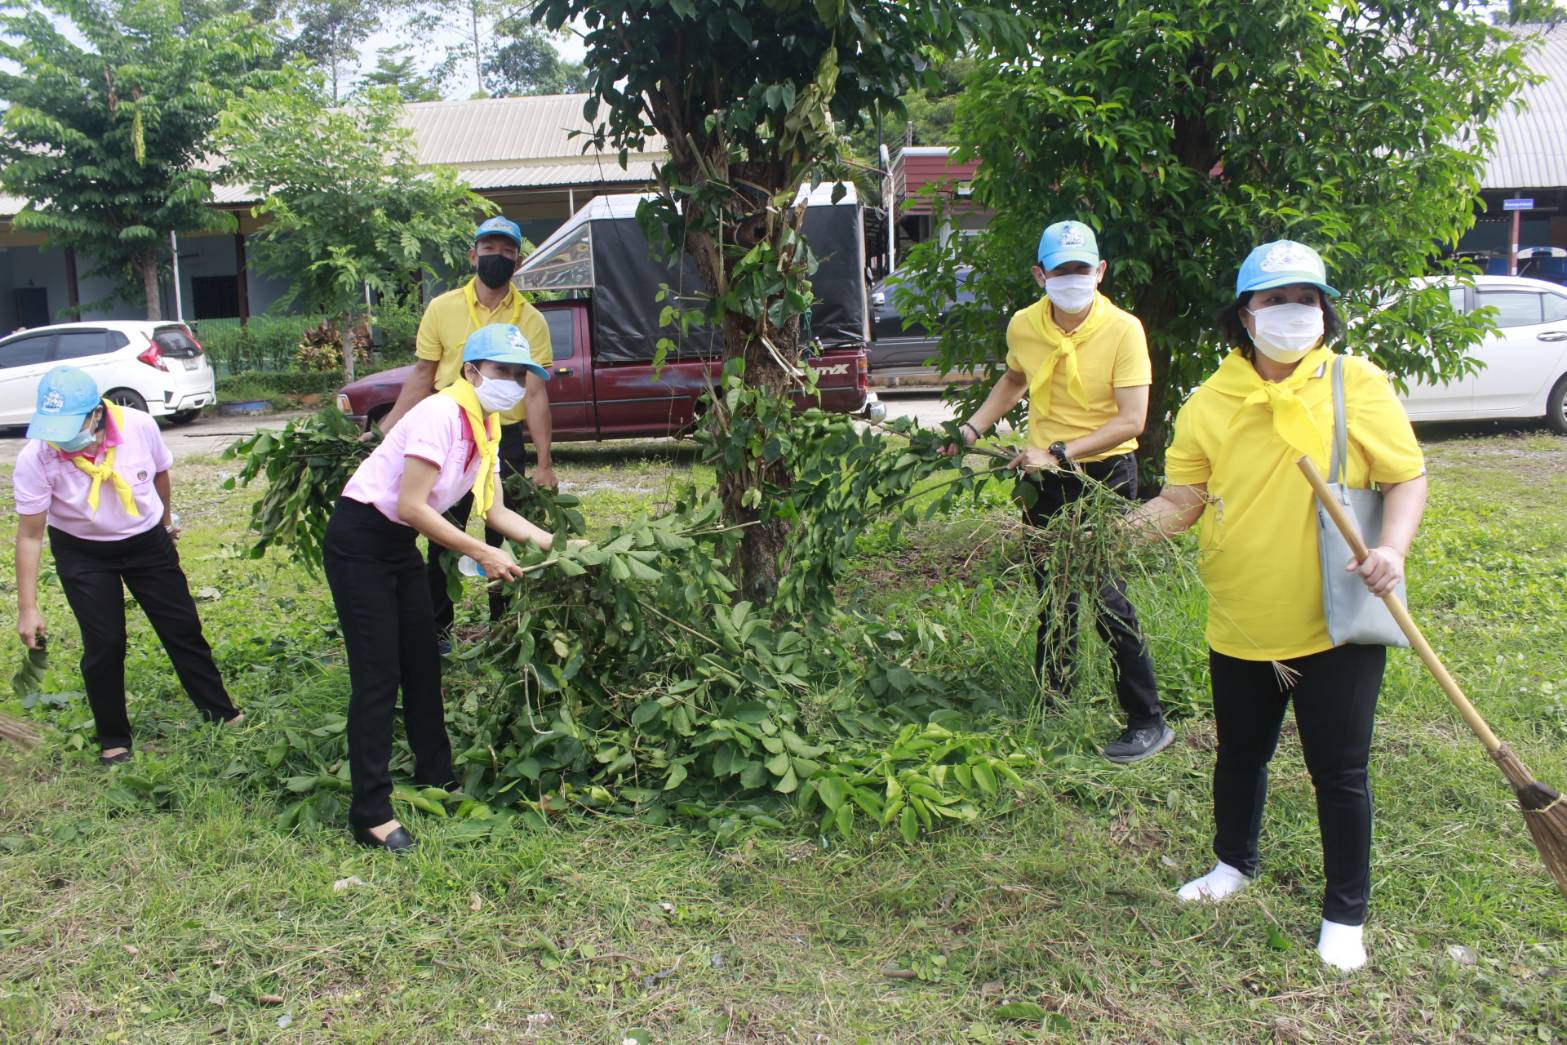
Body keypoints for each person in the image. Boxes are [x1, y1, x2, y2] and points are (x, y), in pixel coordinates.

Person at [1130, 240, 1427, 971]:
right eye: (1274, 300)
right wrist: (1109, 537)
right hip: (1241, 619)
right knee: (1239, 754)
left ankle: (1344, 914)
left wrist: (1391, 550)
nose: (1293, 313)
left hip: (1337, 620)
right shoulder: (1210, 402)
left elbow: (1405, 477)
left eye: (1306, 299)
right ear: (1244, 315)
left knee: (1340, 771)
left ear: (1323, 310)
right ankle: (1232, 862)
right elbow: (1181, 500)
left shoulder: (1355, 384)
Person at [324, 324, 562, 852]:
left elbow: (494, 508)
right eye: (503, 372)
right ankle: (371, 812)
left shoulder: (488, 424)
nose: (514, 383)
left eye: (521, 375)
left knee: (423, 664)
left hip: (398, 545)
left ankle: (437, 774)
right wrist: (480, 551)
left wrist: (561, 546)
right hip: (360, 540)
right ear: (472, 371)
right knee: (379, 675)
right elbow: (411, 505)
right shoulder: (438, 414)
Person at [948, 220, 1172, 764]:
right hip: (1043, 476)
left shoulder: (1124, 330)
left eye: (1082, 269)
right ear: (1040, 274)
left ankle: (1147, 719)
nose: (1072, 279)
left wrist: (1062, 451)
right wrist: (971, 429)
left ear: (1099, 271)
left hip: (1104, 474)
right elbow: (1014, 378)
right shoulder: (1025, 324)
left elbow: (1132, 420)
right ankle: (1054, 697)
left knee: (1105, 594)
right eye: (1061, 270)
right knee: (1053, 590)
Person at [12, 366, 242, 764]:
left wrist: (167, 524)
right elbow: (30, 535)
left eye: (70, 425)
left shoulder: (138, 426)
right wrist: (28, 608)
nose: (60, 437)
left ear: (96, 414)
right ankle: (113, 737)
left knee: (181, 626)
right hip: (82, 551)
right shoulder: (38, 456)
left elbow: (160, 474)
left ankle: (220, 711)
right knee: (104, 643)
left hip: (146, 541)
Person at [376, 215, 556, 647]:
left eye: (507, 251)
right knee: (441, 536)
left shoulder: (531, 319)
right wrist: (388, 427)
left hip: (501, 439)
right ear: (473, 255)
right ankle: (437, 630)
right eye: (489, 249)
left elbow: (534, 396)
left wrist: (546, 463)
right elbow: (423, 375)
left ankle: (505, 628)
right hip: (449, 437)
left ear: (518, 259)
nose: (498, 257)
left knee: (506, 535)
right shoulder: (442, 308)